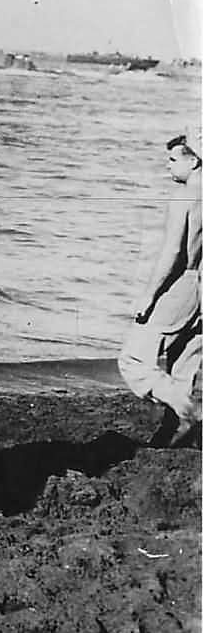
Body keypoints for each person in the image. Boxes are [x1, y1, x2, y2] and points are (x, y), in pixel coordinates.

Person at [118, 134, 201, 447]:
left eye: (173, 159)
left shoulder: (184, 197)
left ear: (193, 161)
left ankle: (188, 411)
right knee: (185, 363)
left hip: (183, 284)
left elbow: (172, 254)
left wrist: (148, 296)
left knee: (133, 361)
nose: (168, 166)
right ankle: (175, 436)